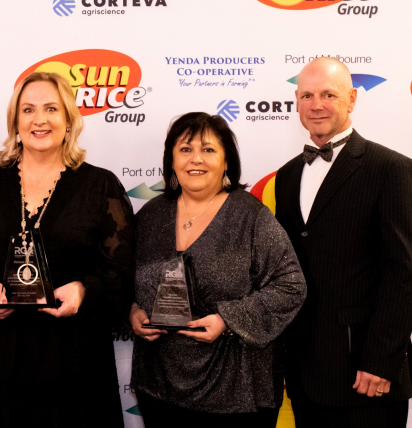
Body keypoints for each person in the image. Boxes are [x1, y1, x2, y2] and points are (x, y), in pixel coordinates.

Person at [0, 72, 134, 428]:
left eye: (51, 108)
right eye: (28, 110)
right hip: (0, 362)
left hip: (76, 361)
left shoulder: (100, 185)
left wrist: (84, 289)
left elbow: (121, 274)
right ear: (15, 122)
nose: (40, 119)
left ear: (69, 121)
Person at [274, 57, 412, 427]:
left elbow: (404, 272)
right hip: (305, 373)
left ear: (352, 99)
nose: (316, 104)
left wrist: (380, 361)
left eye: (329, 94)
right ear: (296, 100)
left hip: (367, 375)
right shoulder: (288, 174)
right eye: (307, 95)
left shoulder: (389, 168)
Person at [129, 112, 306, 427]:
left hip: (235, 393)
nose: (196, 159)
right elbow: (127, 278)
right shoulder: (151, 216)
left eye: (208, 150)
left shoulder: (251, 217)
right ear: (171, 160)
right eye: (185, 150)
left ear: (227, 162)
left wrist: (228, 319)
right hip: (159, 387)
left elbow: (290, 286)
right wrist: (133, 310)